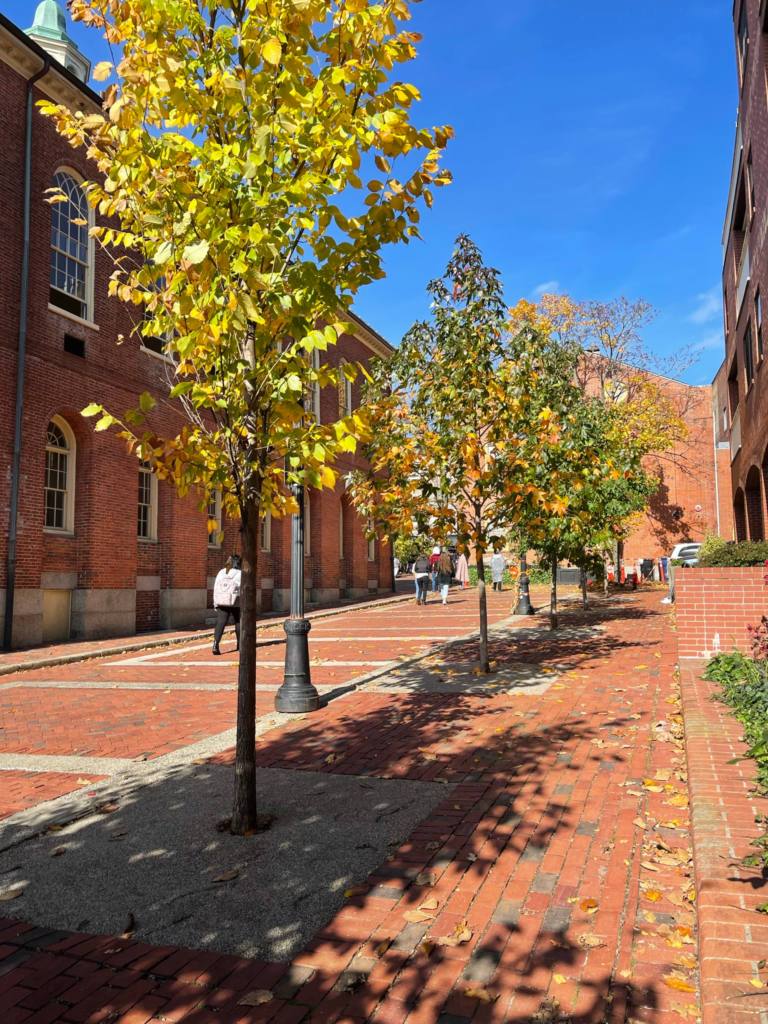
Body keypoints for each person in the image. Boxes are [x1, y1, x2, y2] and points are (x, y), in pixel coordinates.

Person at [212, 554, 242, 655]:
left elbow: (216, 587)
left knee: (221, 622)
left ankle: (215, 644)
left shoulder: (221, 572)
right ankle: (240, 644)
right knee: (238, 622)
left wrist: (215, 602)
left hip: (221, 601)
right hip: (236, 601)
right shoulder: (240, 573)